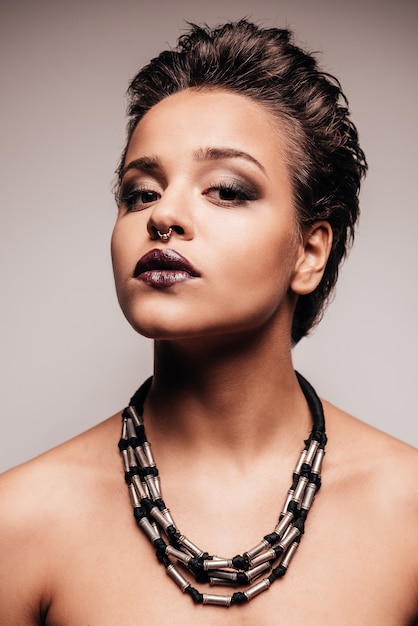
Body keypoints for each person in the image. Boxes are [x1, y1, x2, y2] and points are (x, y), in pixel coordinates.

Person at [0, 19, 417, 625]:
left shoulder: (407, 514)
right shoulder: (21, 520)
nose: (163, 215)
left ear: (310, 252)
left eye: (225, 189)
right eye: (140, 193)